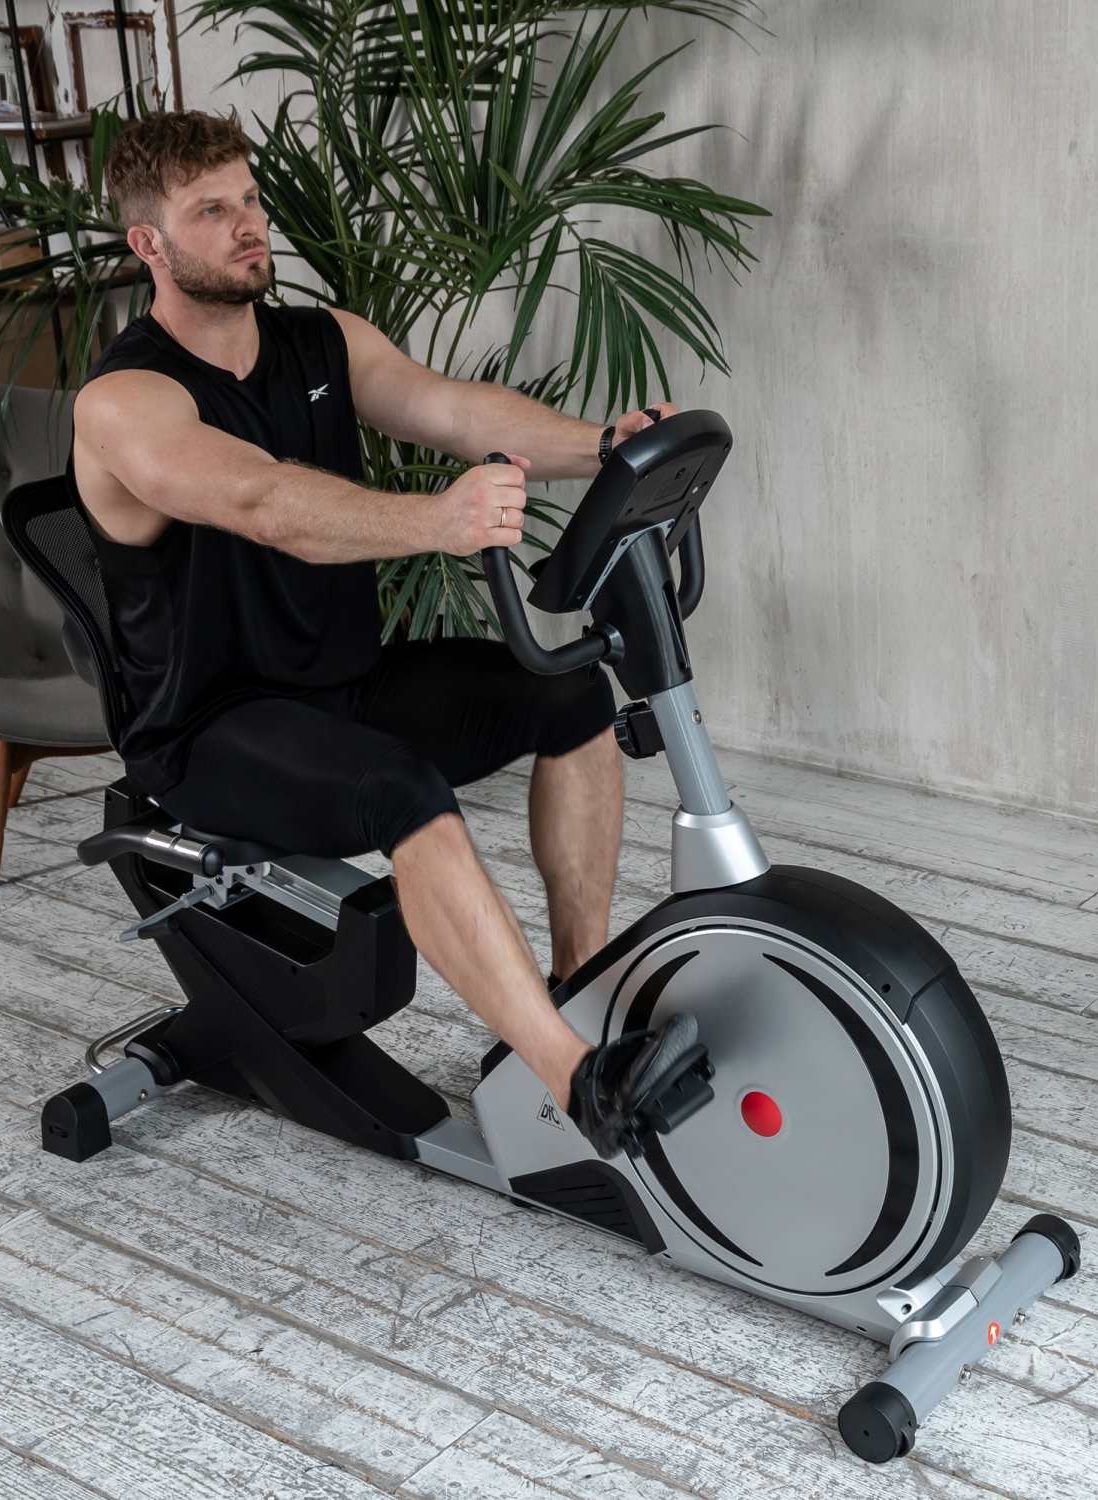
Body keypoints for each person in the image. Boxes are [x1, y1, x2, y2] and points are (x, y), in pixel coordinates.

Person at [70, 109, 705, 1160]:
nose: (248, 225)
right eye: (211, 210)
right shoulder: (126, 401)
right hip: (210, 730)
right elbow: (262, 501)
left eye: (249, 199)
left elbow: (455, 412)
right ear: (149, 242)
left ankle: (575, 990)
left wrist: (604, 444)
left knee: (571, 692)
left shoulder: (322, 340)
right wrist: (435, 522)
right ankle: (579, 1084)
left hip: (344, 686)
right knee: (403, 789)